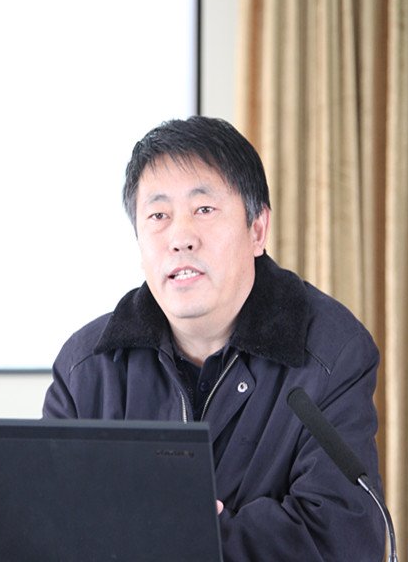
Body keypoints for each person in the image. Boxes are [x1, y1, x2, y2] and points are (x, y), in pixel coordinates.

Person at [43, 116, 385, 561]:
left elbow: (342, 539)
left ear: (257, 229)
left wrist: (187, 534)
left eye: (203, 209)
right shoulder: (86, 369)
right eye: (158, 216)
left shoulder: (330, 353)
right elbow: (50, 532)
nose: (181, 238)